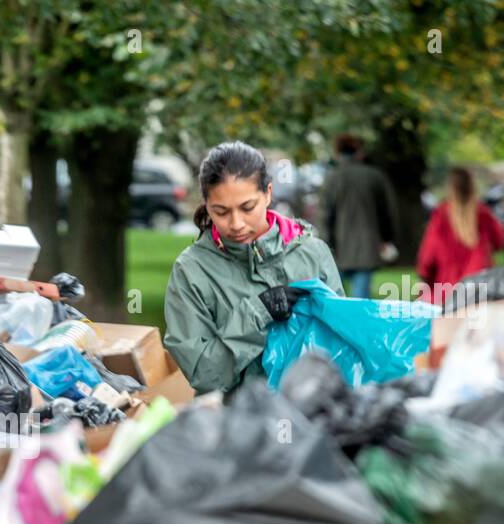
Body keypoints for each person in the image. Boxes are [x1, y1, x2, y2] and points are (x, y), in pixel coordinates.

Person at [164, 141, 343, 396]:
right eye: (221, 211)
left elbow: (340, 346)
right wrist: (258, 313)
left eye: (247, 208)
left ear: (268, 193)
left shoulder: (313, 253)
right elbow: (204, 375)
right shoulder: (191, 271)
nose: (236, 224)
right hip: (238, 424)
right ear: (206, 204)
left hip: (312, 415)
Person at [320, 134, 398, 299]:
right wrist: (386, 239)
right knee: (360, 299)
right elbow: (387, 213)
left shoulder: (331, 178)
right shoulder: (375, 176)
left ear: (337, 152)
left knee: (334, 298)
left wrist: (325, 244)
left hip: (337, 248)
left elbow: (325, 216)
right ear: (360, 152)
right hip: (367, 245)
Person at [416, 166, 504, 307]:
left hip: (446, 291)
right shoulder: (483, 213)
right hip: (479, 289)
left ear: (450, 188)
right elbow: (499, 241)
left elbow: (428, 255)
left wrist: (424, 277)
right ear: (472, 186)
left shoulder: (441, 215)